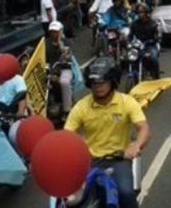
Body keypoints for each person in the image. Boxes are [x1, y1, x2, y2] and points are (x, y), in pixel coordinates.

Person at [64, 58, 150, 208]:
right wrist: (77, 144)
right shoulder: (81, 106)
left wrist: (136, 145)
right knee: (70, 199)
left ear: (113, 81)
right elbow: (66, 134)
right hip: (88, 161)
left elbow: (144, 128)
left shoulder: (127, 102)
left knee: (126, 194)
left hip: (118, 160)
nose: (98, 87)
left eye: (102, 82)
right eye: (94, 84)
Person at [45, 21, 74, 116]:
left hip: (63, 69)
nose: (54, 34)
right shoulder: (45, 43)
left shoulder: (66, 42)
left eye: (56, 31)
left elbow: (67, 56)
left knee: (64, 82)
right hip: (49, 70)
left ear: (61, 31)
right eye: (52, 31)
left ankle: (67, 110)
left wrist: (62, 47)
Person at [130, 4, 161, 79]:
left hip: (150, 45)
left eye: (142, 12)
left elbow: (157, 35)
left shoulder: (153, 24)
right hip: (138, 46)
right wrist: (128, 42)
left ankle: (156, 76)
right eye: (139, 12)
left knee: (153, 58)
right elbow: (130, 35)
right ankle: (133, 71)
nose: (140, 14)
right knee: (131, 57)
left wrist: (155, 38)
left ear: (146, 13)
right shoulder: (134, 24)